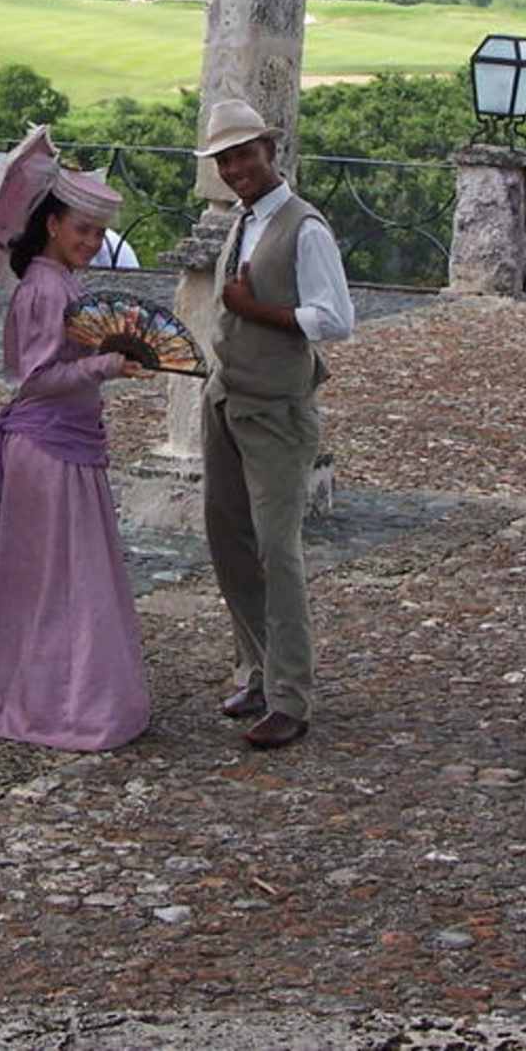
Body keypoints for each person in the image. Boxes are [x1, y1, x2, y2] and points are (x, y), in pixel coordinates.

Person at [0, 167, 153, 751]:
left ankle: (46, 692)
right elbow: (35, 381)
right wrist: (106, 364)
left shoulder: (61, 283)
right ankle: (53, 702)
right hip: (47, 452)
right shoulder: (44, 289)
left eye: (98, 234)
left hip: (65, 445)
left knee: (54, 578)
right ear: (53, 225)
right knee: (56, 582)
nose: (91, 242)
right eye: (82, 230)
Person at [197, 99, 355, 751]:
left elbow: (335, 319)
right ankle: (257, 670)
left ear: (270, 149)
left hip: (278, 412)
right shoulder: (244, 220)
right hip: (227, 397)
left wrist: (255, 309)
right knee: (228, 539)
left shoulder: (304, 227)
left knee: (277, 551)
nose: (235, 168)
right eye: (224, 160)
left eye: (244, 155)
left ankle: (291, 695)